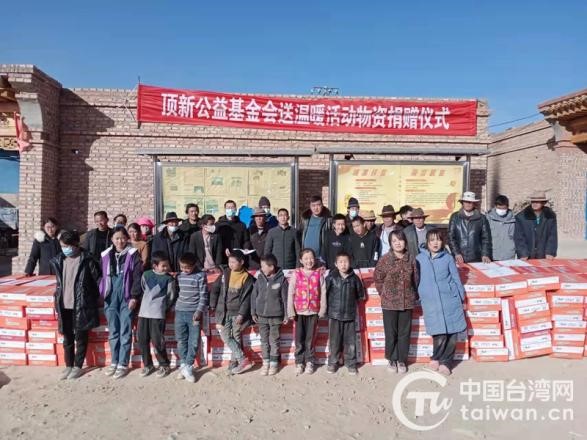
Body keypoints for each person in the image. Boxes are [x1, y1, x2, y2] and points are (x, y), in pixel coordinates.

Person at [50, 230, 101, 380]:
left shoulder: (87, 259)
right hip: (64, 303)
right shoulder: (59, 260)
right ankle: (69, 365)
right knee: (67, 337)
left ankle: (78, 366)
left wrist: (90, 297)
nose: (65, 249)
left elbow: (98, 280)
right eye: (62, 246)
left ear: (76, 244)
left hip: (81, 304)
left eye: (67, 246)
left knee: (81, 336)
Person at [416, 229, 466, 376]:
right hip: (431, 301)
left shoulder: (448, 258)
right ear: (427, 242)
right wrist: (419, 295)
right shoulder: (419, 259)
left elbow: (456, 278)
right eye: (432, 240)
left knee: (452, 333)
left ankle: (446, 362)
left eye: (438, 239)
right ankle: (436, 357)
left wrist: (461, 297)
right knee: (438, 332)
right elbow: (415, 279)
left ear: (442, 242)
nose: (435, 243)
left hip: (449, 299)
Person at [98, 227, 143, 379]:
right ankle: (114, 362)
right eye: (117, 238)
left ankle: (123, 363)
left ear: (127, 238)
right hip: (110, 297)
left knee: (125, 331)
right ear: (112, 239)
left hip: (126, 297)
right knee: (113, 331)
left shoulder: (133, 254)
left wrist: (134, 297)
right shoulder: (105, 255)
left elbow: (137, 277)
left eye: (123, 238)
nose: (120, 241)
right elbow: (99, 275)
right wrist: (101, 289)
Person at [374, 230, 419, 374]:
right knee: (391, 332)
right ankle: (392, 359)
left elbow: (416, 279)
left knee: (404, 333)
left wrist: (412, 294)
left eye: (400, 240)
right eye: (394, 241)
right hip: (389, 303)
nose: (398, 243)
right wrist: (384, 293)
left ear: (405, 241)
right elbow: (378, 279)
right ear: (390, 244)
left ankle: (402, 360)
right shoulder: (385, 260)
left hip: (407, 301)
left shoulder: (411, 259)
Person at [210, 250, 255, 375]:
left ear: (242, 262)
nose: (230, 264)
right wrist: (212, 304)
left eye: (233, 262)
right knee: (225, 336)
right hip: (224, 312)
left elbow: (247, 299)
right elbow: (215, 289)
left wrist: (241, 314)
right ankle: (242, 359)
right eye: (229, 262)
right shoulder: (225, 274)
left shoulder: (248, 278)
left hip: (237, 314)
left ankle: (235, 363)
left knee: (236, 337)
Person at [137, 251, 178, 378]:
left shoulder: (169, 279)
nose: (166, 268)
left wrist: (162, 307)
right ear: (155, 266)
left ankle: (164, 365)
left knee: (157, 341)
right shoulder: (146, 275)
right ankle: (148, 364)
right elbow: (143, 288)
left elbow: (171, 296)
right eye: (163, 266)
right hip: (143, 313)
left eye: (167, 265)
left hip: (158, 314)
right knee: (142, 340)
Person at [287, 248, 327, 375]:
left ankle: (310, 361)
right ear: (301, 260)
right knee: (299, 339)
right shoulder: (296, 274)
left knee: (310, 339)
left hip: (313, 311)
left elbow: (323, 292)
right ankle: (299, 362)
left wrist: (322, 309)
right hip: (299, 312)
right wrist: (290, 311)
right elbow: (291, 292)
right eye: (306, 259)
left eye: (311, 258)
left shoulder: (318, 274)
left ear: (315, 259)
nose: (309, 261)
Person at [325, 252, 365, 376]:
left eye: (346, 262)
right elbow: (324, 294)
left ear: (350, 263)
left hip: (349, 315)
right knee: (334, 341)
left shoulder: (355, 278)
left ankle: (351, 363)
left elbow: (360, 295)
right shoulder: (331, 277)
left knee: (350, 342)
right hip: (334, 315)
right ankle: (333, 362)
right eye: (341, 262)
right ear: (336, 264)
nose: (343, 264)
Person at [251, 254, 289, 376]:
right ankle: (265, 363)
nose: (261, 268)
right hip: (261, 316)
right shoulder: (259, 279)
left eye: (263, 266)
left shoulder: (282, 280)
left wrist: (286, 315)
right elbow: (254, 296)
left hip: (276, 317)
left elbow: (285, 299)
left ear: (271, 267)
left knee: (274, 340)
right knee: (264, 341)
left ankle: (273, 364)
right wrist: (253, 312)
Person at [174, 252, 208, 383]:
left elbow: (203, 295)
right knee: (181, 340)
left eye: (187, 267)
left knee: (193, 341)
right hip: (179, 311)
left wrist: (199, 311)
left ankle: (189, 365)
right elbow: (176, 292)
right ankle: (183, 364)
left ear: (194, 265)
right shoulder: (179, 276)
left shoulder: (200, 276)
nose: (184, 270)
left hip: (193, 313)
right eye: (181, 267)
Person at [447, 192, 492, 264]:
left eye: (470, 202)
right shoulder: (455, 217)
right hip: (459, 258)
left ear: (474, 203)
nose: (468, 204)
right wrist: (456, 253)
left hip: (476, 257)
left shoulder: (482, 218)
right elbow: (451, 237)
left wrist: (485, 254)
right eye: (466, 201)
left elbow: (486, 238)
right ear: (462, 203)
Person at [514, 191, 558, 260]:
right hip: (526, 255)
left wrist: (550, 252)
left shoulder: (550, 216)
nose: (534, 204)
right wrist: (523, 253)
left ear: (543, 203)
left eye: (537, 202)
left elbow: (552, 236)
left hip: (544, 254)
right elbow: (519, 237)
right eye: (533, 201)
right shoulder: (521, 217)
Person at [299, 195, 332, 264]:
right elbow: (300, 236)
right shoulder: (305, 219)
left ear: (322, 205)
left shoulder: (328, 220)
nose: (316, 208)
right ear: (310, 207)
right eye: (313, 205)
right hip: (306, 258)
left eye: (318, 205)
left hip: (321, 258)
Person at [216, 200, 251, 264]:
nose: (230, 210)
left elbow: (246, 240)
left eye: (232, 207)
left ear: (236, 209)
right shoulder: (218, 225)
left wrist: (246, 248)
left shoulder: (242, 225)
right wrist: (223, 248)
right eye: (228, 208)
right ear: (225, 209)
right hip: (224, 258)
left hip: (238, 258)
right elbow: (216, 242)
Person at [487, 195, 516, 261]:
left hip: (509, 256)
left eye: (504, 208)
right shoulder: (488, 218)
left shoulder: (513, 219)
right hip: (492, 255)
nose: (501, 210)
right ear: (495, 206)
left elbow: (516, 238)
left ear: (507, 207)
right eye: (499, 208)